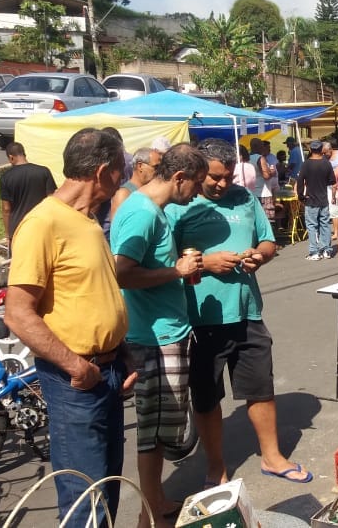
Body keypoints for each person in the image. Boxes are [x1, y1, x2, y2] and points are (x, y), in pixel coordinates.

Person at [4, 128, 134, 527]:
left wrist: (121, 352)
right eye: (120, 170)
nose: (123, 177)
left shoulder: (88, 222)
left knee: (105, 488)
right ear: (102, 172)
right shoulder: (44, 222)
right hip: (76, 381)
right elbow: (18, 313)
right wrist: (78, 366)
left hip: (106, 372)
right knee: (85, 499)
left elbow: (98, 294)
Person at [167, 140, 313, 488]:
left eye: (228, 177)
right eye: (214, 177)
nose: (221, 184)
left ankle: (273, 457)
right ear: (198, 171)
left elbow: (268, 241)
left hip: (247, 310)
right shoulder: (179, 206)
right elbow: (163, 263)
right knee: (206, 397)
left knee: (260, 388)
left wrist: (259, 256)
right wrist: (206, 262)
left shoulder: (245, 199)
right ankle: (215, 467)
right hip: (200, 318)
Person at [110, 143, 207, 528]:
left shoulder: (155, 211)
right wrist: (177, 272)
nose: (197, 193)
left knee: (163, 426)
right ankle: (148, 516)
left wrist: (177, 267)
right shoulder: (141, 212)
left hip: (166, 331)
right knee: (152, 430)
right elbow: (121, 272)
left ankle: (155, 501)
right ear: (179, 178)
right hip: (152, 337)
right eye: (195, 185)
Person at [0, 141, 57, 245]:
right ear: (24, 154)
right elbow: (52, 199)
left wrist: (8, 235)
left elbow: (6, 209)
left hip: (19, 228)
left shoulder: (6, 177)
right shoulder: (43, 171)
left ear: (11, 157)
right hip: (41, 225)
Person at [297, 140, 336, 260]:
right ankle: (327, 250)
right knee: (325, 224)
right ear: (321, 150)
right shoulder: (326, 164)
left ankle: (314, 251)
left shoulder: (306, 164)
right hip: (323, 198)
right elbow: (332, 181)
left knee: (312, 225)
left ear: (310, 150)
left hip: (311, 199)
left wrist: (301, 196)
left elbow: (300, 182)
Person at [109, 146, 162, 221]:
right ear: (140, 166)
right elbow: (117, 227)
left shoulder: (154, 191)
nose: (160, 171)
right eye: (156, 167)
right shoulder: (124, 194)